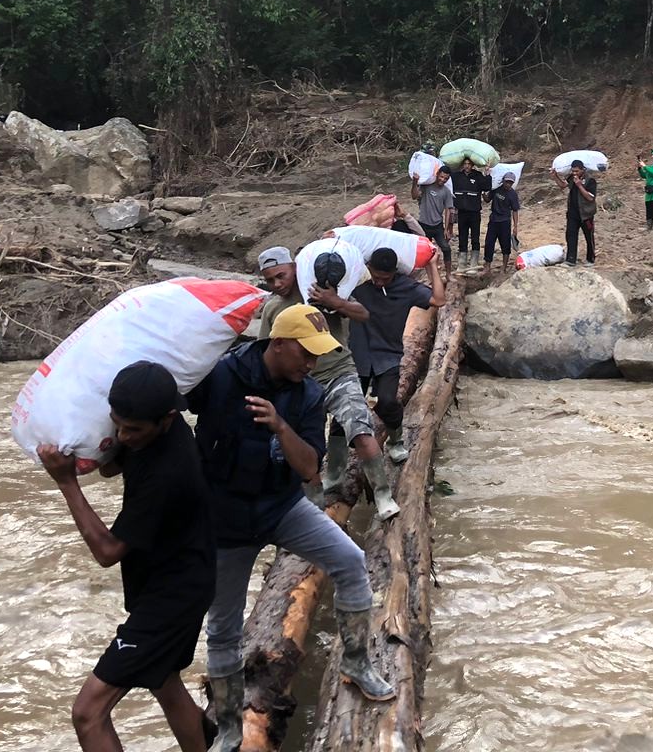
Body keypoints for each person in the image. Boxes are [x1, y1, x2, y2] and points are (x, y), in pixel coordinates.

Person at [188, 305, 395, 750]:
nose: (312, 363)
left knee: (351, 561)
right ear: (278, 343)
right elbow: (171, 402)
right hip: (224, 519)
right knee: (222, 627)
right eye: (305, 353)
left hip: (280, 507)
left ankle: (356, 662)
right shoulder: (221, 375)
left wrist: (281, 427)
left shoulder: (309, 395)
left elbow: (307, 468)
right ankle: (229, 726)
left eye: (318, 355)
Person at [36, 361, 214, 752]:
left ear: (167, 419)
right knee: (164, 680)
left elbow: (107, 551)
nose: (123, 436)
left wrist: (66, 482)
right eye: (117, 425)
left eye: (133, 429)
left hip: (172, 598)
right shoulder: (155, 430)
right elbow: (111, 468)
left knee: (88, 713)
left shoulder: (168, 474)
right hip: (179, 579)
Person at [253, 246, 399, 521]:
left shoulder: (321, 290)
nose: (277, 284)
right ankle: (317, 506)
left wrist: (335, 302)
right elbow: (264, 351)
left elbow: (362, 314)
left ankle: (383, 494)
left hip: (339, 373)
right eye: (270, 280)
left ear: (295, 268)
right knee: (306, 447)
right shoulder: (273, 307)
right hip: (301, 384)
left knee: (360, 430)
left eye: (281, 276)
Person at [350, 248, 445, 466]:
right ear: (368, 269)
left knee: (387, 401)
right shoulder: (357, 285)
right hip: (357, 355)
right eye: (375, 276)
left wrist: (432, 266)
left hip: (388, 355)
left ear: (394, 272)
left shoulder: (406, 287)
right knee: (344, 410)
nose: (379, 282)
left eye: (385, 278)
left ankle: (395, 440)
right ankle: (335, 471)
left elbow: (439, 299)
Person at [551, 161, 598, 265]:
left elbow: (590, 198)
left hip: (586, 214)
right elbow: (563, 185)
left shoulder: (590, 180)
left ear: (582, 169)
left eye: (577, 171)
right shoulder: (571, 178)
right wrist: (555, 176)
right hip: (573, 213)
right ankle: (571, 259)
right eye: (573, 171)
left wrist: (580, 185)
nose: (574, 173)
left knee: (589, 236)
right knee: (571, 236)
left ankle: (590, 259)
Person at [410, 163, 454, 270]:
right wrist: (415, 182)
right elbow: (414, 196)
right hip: (423, 225)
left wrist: (447, 229)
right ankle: (427, 272)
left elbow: (448, 210)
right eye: (441, 176)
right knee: (424, 251)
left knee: (446, 248)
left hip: (438, 226)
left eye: (446, 178)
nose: (443, 180)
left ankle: (448, 274)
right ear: (437, 174)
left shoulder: (446, 192)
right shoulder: (426, 186)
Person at [449, 160, 489, 266]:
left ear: (472, 165)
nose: (467, 166)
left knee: (475, 236)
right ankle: (462, 260)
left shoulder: (478, 176)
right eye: (465, 164)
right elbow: (447, 182)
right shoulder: (456, 176)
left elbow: (487, 187)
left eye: (469, 164)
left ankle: (474, 260)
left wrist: (487, 174)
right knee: (462, 236)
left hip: (475, 212)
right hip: (462, 212)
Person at [484, 174, 521, 270]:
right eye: (507, 182)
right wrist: (483, 193)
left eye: (510, 183)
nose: (508, 184)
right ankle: (487, 266)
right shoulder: (496, 189)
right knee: (489, 243)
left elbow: (515, 210)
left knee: (505, 244)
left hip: (505, 222)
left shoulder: (513, 194)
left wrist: (515, 226)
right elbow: (487, 199)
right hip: (493, 220)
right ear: (503, 180)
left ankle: (504, 267)